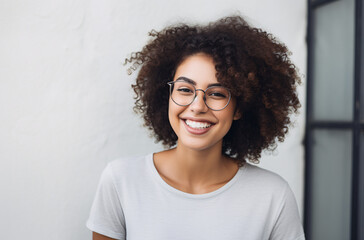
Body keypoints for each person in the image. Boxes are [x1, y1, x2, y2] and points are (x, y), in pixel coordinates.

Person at [86, 15, 305, 240]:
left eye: (217, 94)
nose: (197, 106)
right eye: (184, 89)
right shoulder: (121, 180)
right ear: (167, 95)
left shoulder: (273, 195)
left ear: (239, 108)